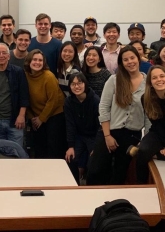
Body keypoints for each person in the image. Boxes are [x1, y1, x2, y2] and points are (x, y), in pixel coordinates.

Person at [87, 46, 150, 185]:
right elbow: (103, 107)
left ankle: (114, 204)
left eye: (132, 58)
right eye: (125, 59)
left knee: (119, 174)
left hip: (132, 135)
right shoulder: (114, 80)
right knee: (96, 169)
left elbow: (148, 115)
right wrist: (107, 136)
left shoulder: (148, 83)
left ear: (138, 59)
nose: (130, 62)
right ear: (121, 63)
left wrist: (145, 140)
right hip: (109, 130)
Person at [0, 43, 29, 147]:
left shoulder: (18, 72)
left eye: (4, 53)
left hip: (14, 120)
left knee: (16, 153)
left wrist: (21, 116)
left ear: (9, 56)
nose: (1, 55)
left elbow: (24, 95)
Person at [24, 49, 65, 159]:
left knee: (52, 148)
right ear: (29, 61)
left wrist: (41, 119)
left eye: (40, 60)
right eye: (34, 59)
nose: (37, 62)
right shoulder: (25, 76)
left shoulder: (49, 76)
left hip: (54, 115)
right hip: (36, 117)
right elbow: (25, 99)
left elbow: (53, 100)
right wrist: (32, 118)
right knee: (38, 148)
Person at [127, 65, 165, 184]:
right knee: (143, 152)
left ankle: (157, 154)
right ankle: (141, 184)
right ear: (150, 82)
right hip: (158, 132)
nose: (159, 80)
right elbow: (157, 124)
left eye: (162, 76)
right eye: (154, 78)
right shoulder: (146, 98)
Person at [64, 72, 100, 183]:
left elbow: (100, 126)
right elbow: (70, 125)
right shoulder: (69, 102)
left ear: (85, 84)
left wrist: (97, 147)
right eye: (73, 84)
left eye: (79, 83)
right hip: (79, 136)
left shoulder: (95, 100)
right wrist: (70, 146)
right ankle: (75, 185)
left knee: (93, 162)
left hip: (94, 136)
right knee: (70, 158)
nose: (76, 86)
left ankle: (90, 187)